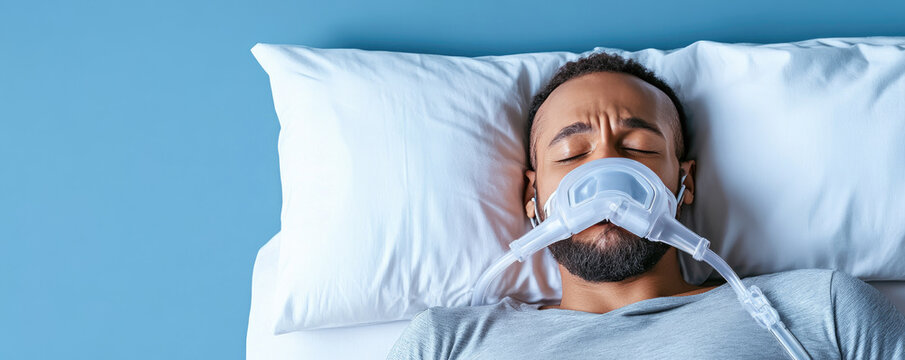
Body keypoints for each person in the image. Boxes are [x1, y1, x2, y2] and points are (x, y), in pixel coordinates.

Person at [387, 52, 905, 359]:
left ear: (684, 182)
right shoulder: (447, 341)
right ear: (533, 198)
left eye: (639, 149)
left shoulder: (821, 312)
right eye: (572, 154)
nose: (606, 173)